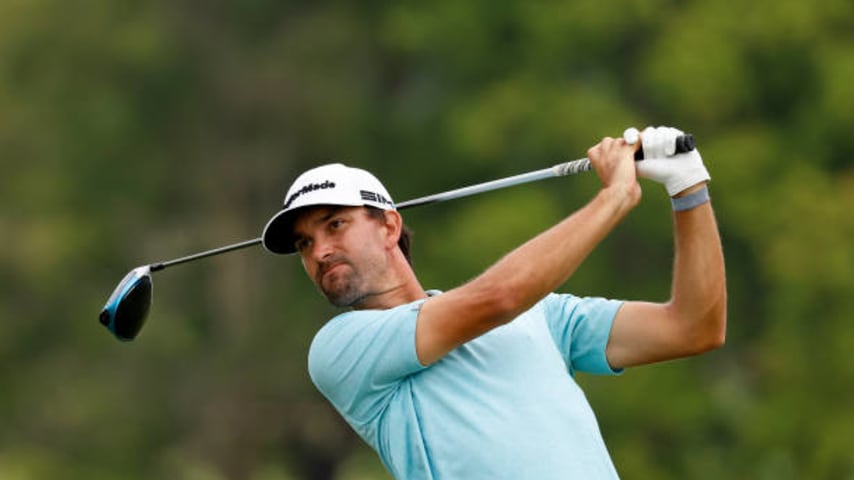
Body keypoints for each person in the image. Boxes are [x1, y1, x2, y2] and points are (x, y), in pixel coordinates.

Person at [261, 126, 727, 479]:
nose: (319, 251)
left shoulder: (545, 314)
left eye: (335, 225)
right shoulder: (339, 348)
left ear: (389, 226)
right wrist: (616, 197)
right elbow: (498, 297)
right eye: (305, 243)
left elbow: (693, 328)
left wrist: (688, 188)